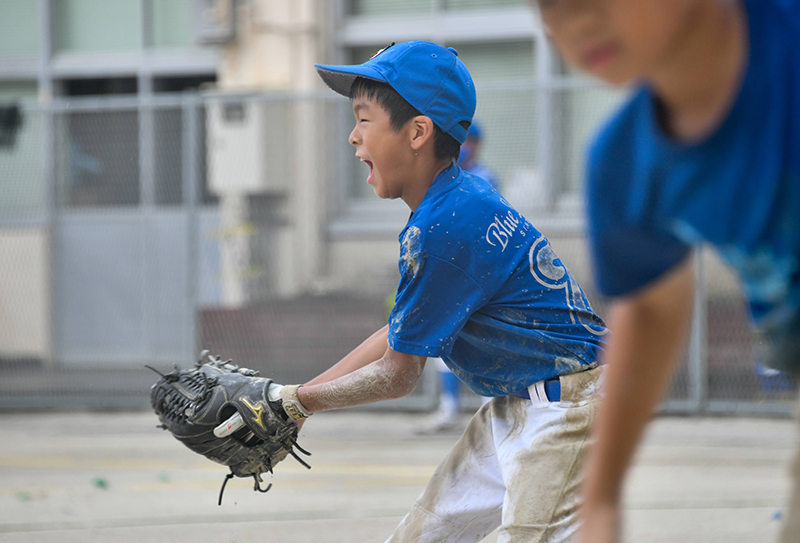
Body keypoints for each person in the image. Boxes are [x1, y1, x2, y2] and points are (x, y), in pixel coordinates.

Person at [271, 40, 609, 541]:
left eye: (364, 119)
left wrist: (300, 402)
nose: (353, 135)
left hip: (569, 411)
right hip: (520, 402)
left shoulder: (443, 225)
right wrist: (292, 400)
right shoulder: (457, 197)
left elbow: (398, 374)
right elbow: (399, 334)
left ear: (417, 132)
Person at [532, 1, 800, 542]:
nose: (577, 19)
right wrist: (601, 501)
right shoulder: (624, 166)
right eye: (549, 3)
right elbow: (650, 308)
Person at [419, 120, 500, 435]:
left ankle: (492, 409)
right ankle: (449, 409)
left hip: (481, 275)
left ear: (478, 145)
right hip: (450, 274)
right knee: (445, 343)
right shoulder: (438, 180)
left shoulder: (484, 178)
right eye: (460, 141)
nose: (464, 148)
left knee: (484, 342)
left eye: (470, 142)